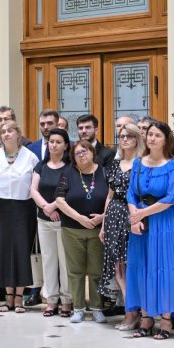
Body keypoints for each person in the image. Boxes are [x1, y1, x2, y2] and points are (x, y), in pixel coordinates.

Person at [126, 120, 174, 340]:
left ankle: (166, 320)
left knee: (164, 267)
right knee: (142, 267)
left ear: (166, 140)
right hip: (141, 223)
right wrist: (135, 217)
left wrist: (142, 213)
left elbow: (171, 197)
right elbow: (131, 194)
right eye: (150, 134)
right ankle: (146, 317)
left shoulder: (173, 165)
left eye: (157, 135)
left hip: (164, 223)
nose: (152, 138)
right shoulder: (138, 163)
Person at [0, 121, 38, 313]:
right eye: (3, 131)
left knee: (21, 250)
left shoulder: (30, 157)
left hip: (24, 209)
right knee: (3, 251)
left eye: (10, 131)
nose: (6, 134)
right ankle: (8, 297)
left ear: (18, 134)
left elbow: (35, 187)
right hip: (0, 208)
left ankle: (19, 296)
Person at [55, 138, 109, 323]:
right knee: (75, 271)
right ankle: (78, 308)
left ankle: (97, 308)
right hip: (72, 230)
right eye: (77, 153)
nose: (81, 155)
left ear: (92, 152)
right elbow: (59, 200)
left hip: (98, 231)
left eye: (84, 151)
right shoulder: (68, 172)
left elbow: (113, 198)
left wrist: (103, 217)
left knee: (96, 271)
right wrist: (80, 218)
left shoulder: (104, 172)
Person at [102, 123, 143, 330]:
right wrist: (103, 225)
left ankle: (134, 312)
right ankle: (130, 311)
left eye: (130, 136)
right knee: (118, 268)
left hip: (132, 215)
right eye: (122, 136)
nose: (125, 139)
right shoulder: (115, 164)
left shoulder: (142, 163)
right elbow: (109, 196)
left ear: (137, 139)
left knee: (131, 266)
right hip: (113, 216)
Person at [30, 128, 72, 317]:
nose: (54, 145)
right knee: (48, 260)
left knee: (64, 262)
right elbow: (33, 189)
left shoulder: (70, 167)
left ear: (66, 145)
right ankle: (51, 300)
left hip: (64, 220)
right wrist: (46, 207)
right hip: (44, 219)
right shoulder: (41, 166)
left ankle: (67, 300)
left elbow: (70, 191)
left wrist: (55, 206)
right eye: (51, 142)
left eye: (58, 142)